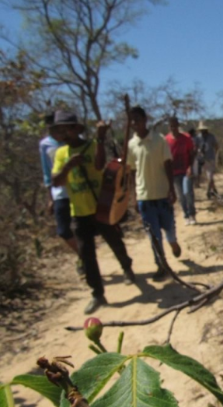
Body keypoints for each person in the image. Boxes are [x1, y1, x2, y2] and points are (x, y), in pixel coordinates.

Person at [51, 110, 135, 315]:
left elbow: (99, 165)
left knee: (115, 241)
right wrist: (68, 167)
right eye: (60, 131)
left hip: (101, 208)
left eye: (67, 129)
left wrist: (100, 138)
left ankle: (126, 266)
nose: (64, 134)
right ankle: (97, 293)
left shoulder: (91, 146)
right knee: (87, 254)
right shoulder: (61, 154)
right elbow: (56, 181)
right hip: (78, 212)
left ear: (75, 129)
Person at [127, 106, 181, 282]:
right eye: (132, 120)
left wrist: (171, 189)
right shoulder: (131, 145)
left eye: (137, 119)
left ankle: (173, 243)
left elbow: (168, 165)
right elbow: (132, 172)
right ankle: (161, 265)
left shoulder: (159, 140)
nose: (135, 123)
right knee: (153, 235)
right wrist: (134, 197)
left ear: (145, 120)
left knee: (169, 229)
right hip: (145, 197)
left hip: (162, 194)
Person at [39, 112, 83, 275]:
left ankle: (88, 258)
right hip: (60, 192)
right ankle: (82, 255)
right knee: (64, 231)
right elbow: (46, 172)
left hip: (79, 190)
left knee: (84, 229)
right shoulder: (45, 145)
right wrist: (50, 198)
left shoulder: (74, 140)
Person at [165, 116, 197, 225]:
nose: (173, 128)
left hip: (185, 170)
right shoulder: (166, 140)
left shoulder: (186, 138)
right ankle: (186, 214)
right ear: (169, 127)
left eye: (175, 125)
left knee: (187, 191)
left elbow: (192, 153)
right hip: (173, 173)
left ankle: (192, 214)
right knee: (180, 196)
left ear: (178, 125)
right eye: (171, 126)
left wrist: (190, 167)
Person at [195, 121, 219, 199]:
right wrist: (199, 151)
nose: (203, 131)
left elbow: (216, 146)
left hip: (211, 158)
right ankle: (214, 190)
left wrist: (215, 155)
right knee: (209, 176)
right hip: (202, 159)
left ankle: (208, 191)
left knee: (210, 176)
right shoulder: (198, 137)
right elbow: (195, 147)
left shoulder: (211, 136)